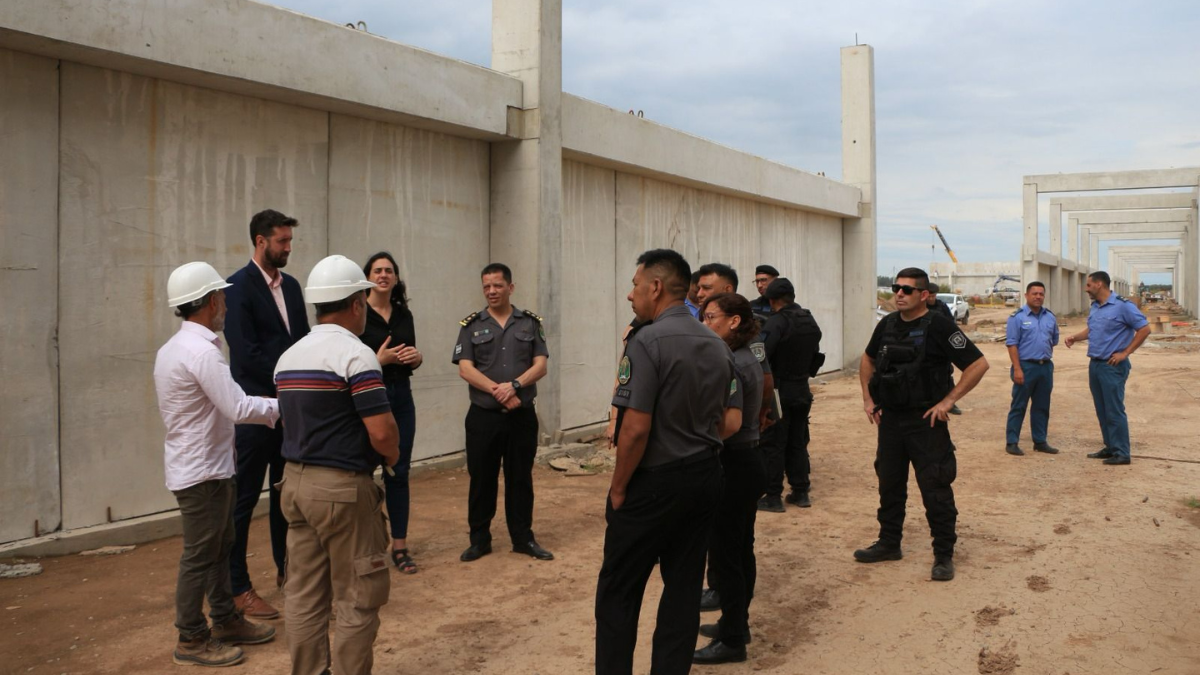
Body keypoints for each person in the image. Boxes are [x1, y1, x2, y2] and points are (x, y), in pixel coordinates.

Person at [595, 248, 739, 675]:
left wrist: (619, 487)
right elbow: (729, 419)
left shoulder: (646, 341)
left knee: (619, 591)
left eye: (635, 285)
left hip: (651, 483)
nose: (630, 295)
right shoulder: (716, 343)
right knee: (683, 590)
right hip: (703, 476)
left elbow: (635, 429)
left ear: (655, 287)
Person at [275, 254, 400, 675]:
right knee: (359, 596)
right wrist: (393, 456)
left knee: (305, 596)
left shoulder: (289, 357)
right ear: (356, 304)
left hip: (293, 486)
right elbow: (381, 432)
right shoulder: (356, 355)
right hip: (343, 491)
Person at [155, 262, 279, 668]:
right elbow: (238, 407)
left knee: (218, 547)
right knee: (200, 554)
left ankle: (225, 620)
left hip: (208, 467)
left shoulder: (175, 348)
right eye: (221, 296)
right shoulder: (201, 352)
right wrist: (289, 404)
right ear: (211, 301)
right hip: (202, 473)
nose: (225, 302)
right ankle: (191, 638)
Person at [856, 267, 989, 582]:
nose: (898, 293)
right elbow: (867, 359)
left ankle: (943, 554)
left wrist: (948, 401)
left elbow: (978, 364)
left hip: (925, 422)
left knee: (935, 488)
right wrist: (867, 400)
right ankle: (889, 543)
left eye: (907, 289)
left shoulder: (939, 325)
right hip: (890, 420)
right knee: (889, 484)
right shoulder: (887, 324)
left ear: (924, 295)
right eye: (895, 287)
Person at [223, 208, 310, 620]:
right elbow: (246, 352)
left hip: (288, 413)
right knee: (242, 502)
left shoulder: (292, 287)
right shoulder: (236, 288)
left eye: (289, 241)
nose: (288, 248)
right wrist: (288, 384)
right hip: (254, 414)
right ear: (260, 241)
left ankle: (287, 573)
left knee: (284, 497)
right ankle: (237, 587)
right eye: (282, 241)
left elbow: (304, 341)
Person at [452, 263, 553, 562]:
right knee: (481, 479)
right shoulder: (470, 325)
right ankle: (479, 540)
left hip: (521, 416)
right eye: (486, 286)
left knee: (520, 478)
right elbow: (465, 369)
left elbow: (541, 365)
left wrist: (515, 385)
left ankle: (523, 538)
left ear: (511, 287)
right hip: (483, 416)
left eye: (497, 285)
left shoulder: (530, 323)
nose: (491, 291)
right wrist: (499, 390)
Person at [694, 293, 767, 666]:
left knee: (727, 557)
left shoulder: (733, 362)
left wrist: (693, 441)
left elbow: (731, 423)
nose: (705, 324)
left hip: (735, 463)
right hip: (746, 459)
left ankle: (733, 638)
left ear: (734, 321)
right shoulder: (745, 355)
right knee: (738, 550)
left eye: (711, 318)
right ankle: (735, 624)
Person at [359, 252, 424, 572]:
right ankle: (367, 546)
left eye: (389, 270)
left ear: (396, 278)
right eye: (377, 270)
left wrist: (417, 356)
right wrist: (378, 361)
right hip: (368, 398)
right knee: (362, 474)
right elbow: (352, 361)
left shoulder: (403, 314)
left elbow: (410, 354)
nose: (383, 275)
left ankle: (399, 547)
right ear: (368, 277)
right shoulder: (358, 313)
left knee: (398, 472)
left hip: (401, 398)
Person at [1065, 271, 1150, 466]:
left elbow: (1144, 329)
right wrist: (1075, 337)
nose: (1086, 289)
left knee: (1114, 409)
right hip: (1095, 364)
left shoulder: (1123, 306)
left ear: (1099, 285)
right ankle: (1111, 447)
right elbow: (1092, 329)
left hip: (1112, 366)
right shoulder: (1095, 307)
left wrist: (1125, 353)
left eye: (1088, 285)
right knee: (1102, 409)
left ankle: (1122, 453)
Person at [756, 278, 823, 512]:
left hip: (779, 391)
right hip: (802, 389)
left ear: (772, 300)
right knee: (797, 441)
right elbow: (815, 353)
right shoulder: (808, 318)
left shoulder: (776, 323)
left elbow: (761, 357)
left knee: (773, 443)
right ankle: (800, 491)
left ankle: (773, 496)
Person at [1004, 281, 1059, 456]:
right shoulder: (1017, 317)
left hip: (1045, 367)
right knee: (1019, 405)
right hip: (1025, 367)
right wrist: (1018, 369)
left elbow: (1054, 340)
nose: (1038, 297)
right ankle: (1012, 442)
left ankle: (1040, 441)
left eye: (1041, 294)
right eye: (1034, 293)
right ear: (1026, 295)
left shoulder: (1050, 317)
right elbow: (1012, 344)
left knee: (1042, 406)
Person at [926, 283, 961, 415]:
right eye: (929, 296)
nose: (931, 299)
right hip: (925, 346)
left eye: (933, 296)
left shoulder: (941, 307)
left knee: (946, 374)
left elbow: (951, 324)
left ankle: (950, 403)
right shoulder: (920, 307)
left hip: (941, 347)